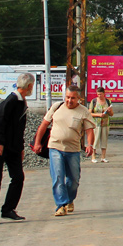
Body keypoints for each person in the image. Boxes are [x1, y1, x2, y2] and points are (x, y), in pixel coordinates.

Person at [0, 72, 35, 225]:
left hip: (13, 147)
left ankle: (8, 209)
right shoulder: (11, 100)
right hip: (0, 146)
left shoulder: (22, 101)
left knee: (18, 177)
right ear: (29, 86)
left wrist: (21, 148)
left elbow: (19, 128)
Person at [37, 88, 95, 217]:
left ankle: (69, 199)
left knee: (74, 179)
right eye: (67, 97)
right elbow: (44, 125)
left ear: (79, 99)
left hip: (73, 150)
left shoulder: (83, 111)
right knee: (58, 177)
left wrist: (90, 145)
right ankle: (61, 205)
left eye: (73, 98)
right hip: (55, 147)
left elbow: (89, 130)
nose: (69, 100)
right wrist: (37, 142)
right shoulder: (56, 107)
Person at [88, 87, 114, 163]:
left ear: (104, 93)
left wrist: (109, 111)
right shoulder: (94, 101)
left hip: (105, 124)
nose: (99, 96)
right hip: (96, 124)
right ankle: (93, 157)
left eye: (101, 94)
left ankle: (103, 157)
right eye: (98, 94)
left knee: (104, 140)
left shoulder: (108, 101)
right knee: (95, 140)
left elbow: (112, 114)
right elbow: (89, 113)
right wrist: (99, 115)